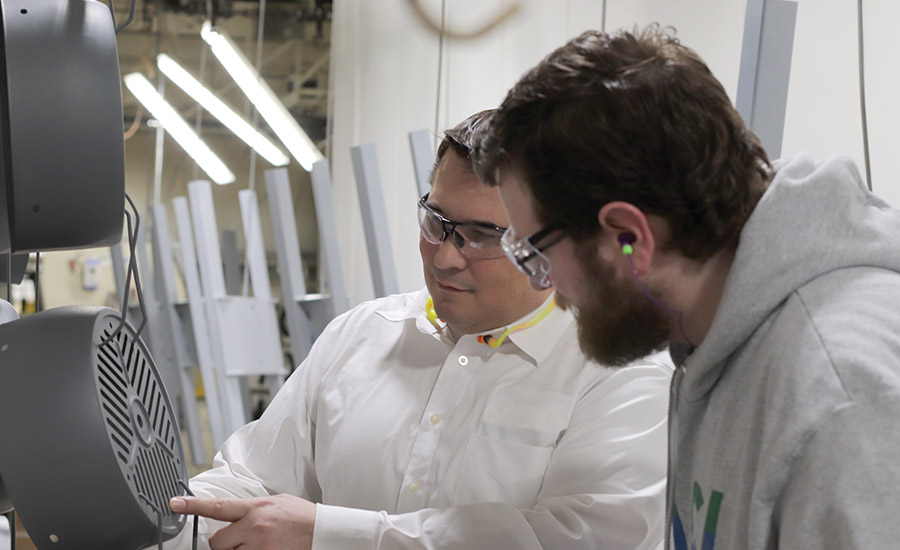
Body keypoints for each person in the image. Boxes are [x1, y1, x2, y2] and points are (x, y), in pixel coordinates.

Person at [475, 23, 900, 550]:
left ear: (628, 237)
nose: (547, 286)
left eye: (537, 252)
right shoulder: (713, 339)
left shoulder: (841, 402)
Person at [166, 111, 674, 550]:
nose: (445, 256)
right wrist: (162, 521)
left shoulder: (619, 371)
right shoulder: (360, 335)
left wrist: (328, 534)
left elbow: (580, 539)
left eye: (481, 235)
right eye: (436, 221)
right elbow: (251, 479)